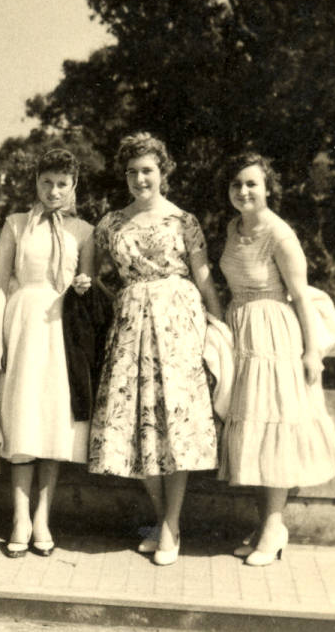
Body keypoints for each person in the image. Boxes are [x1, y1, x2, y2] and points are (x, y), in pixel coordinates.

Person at [88, 132, 222, 566]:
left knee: (174, 423)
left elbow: (204, 279)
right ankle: (166, 519)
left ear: (163, 172)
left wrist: (219, 326)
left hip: (178, 326)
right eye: (132, 172)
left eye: (147, 170)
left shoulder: (184, 220)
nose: (139, 179)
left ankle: (170, 525)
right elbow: (91, 277)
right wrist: (121, 300)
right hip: (131, 328)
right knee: (135, 423)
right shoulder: (111, 224)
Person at [218, 152, 335, 566]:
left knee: (273, 428)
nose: (243, 191)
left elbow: (301, 296)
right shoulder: (233, 228)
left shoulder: (280, 234)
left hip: (274, 338)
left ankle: (274, 528)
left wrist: (311, 352)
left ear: (268, 188)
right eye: (237, 184)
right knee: (253, 432)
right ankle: (265, 525)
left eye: (252, 183)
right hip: (242, 332)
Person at [0, 148, 94, 558]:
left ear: (73, 186)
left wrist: (83, 287)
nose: (53, 191)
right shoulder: (16, 224)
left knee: (53, 423)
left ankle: (42, 518)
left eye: (62, 184)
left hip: (62, 330)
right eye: (46, 182)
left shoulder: (83, 231)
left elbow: (88, 285)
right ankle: (18, 517)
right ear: (35, 182)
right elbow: (1, 284)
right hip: (23, 325)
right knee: (21, 419)